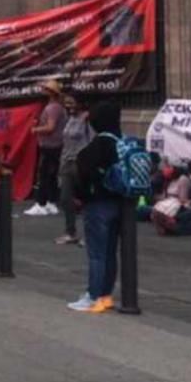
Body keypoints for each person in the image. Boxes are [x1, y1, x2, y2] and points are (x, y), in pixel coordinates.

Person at [70, 100, 123, 313]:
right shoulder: (121, 142)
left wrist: (79, 197)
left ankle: (93, 295)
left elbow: (83, 172)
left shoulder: (98, 145)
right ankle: (106, 294)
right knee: (110, 252)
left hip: (97, 203)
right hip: (120, 203)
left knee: (96, 253)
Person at [26, 79, 66, 217]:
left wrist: (36, 129)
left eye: (46, 89)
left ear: (50, 92)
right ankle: (50, 202)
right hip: (55, 145)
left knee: (44, 175)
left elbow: (50, 127)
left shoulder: (52, 108)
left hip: (50, 146)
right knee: (51, 175)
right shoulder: (57, 107)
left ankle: (41, 203)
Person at [56, 93, 91, 245]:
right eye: (66, 103)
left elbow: (92, 140)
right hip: (67, 162)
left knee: (87, 200)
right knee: (65, 198)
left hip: (81, 163)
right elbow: (65, 142)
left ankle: (89, 234)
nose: (68, 106)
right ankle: (70, 232)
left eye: (71, 102)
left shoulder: (87, 119)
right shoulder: (69, 119)